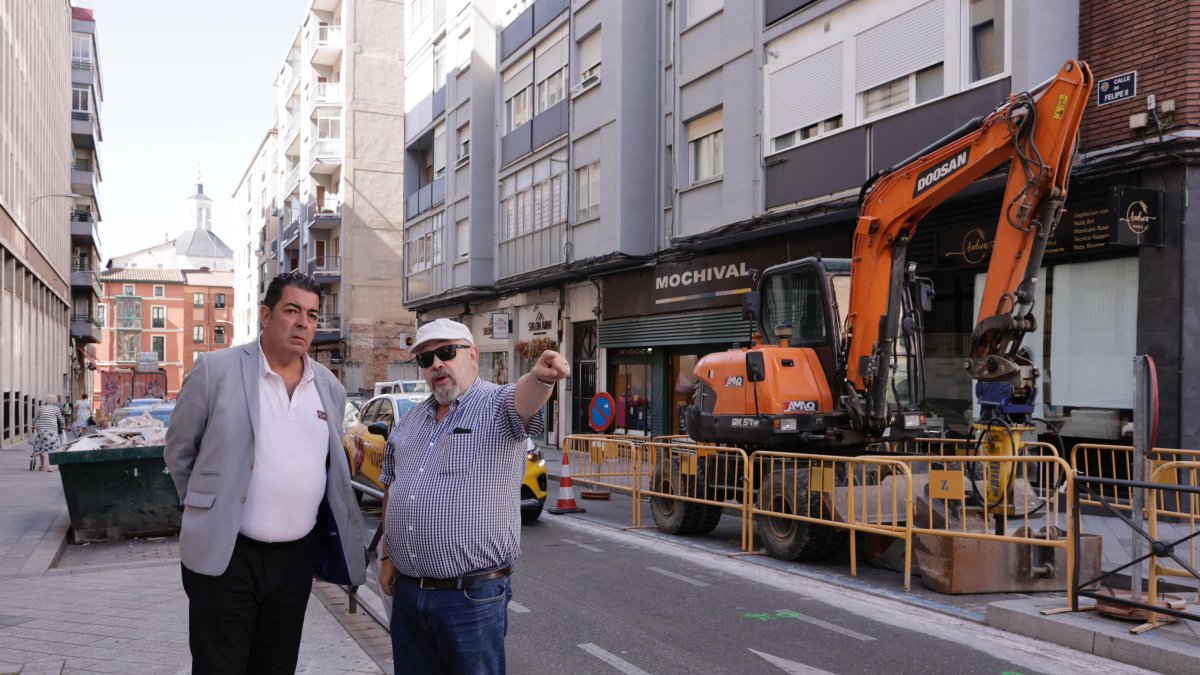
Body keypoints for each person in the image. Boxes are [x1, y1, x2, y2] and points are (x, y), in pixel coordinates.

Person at [164, 272, 366, 674]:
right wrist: (209, 509)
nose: (303, 323)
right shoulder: (215, 371)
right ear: (266, 315)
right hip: (228, 556)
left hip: (295, 560)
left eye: (311, 314)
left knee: (276, 667)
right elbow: (179, 452)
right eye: (292, 311)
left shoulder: (328, 386)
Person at [378, 318, 569, 673]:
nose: (436, 364)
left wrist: (541, 377)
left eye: (446, 352)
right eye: (426, 358)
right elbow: (393, 483)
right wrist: (389, 554)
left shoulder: (496, 406)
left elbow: (524, 397)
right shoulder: (411, 421)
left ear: (472, 356)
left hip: (470, 599)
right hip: (409, 594)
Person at [31, 396, 64, 472]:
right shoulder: (56, 409)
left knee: (41, 447)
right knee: (54, 447)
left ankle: (42, 466)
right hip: (52, 431)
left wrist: (33, 426)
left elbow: (35, 419)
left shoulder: (41, 408)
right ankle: (50, 466)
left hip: (42, 431)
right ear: (54, 401)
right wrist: (62, 427)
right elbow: (61, 420)